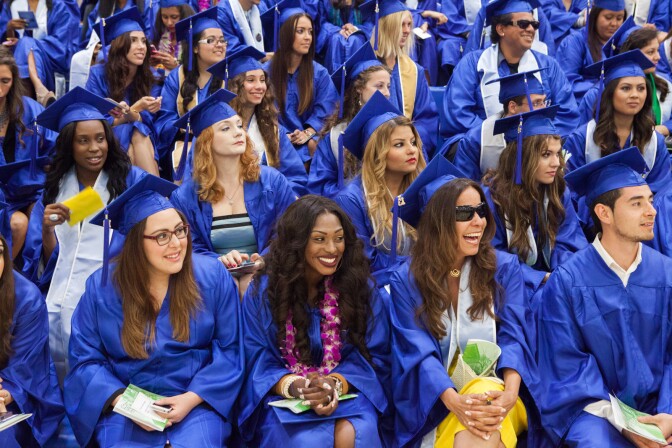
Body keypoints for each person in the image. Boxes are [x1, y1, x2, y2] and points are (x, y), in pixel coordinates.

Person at [65, 175, 244, 447]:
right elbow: (85, 360)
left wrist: (192, 398)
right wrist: (126, 402)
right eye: (162, 236)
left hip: (196, 401)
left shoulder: (211, 276)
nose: (176, 244)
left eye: (180, 230)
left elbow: (230, 349)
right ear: (136, 243)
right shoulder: (102, 288)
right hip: (126, 403)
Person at [388, 160, 540, 447]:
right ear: (438, 222)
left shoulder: (503, 269)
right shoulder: (407, 280)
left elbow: (515, 336)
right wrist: (453, 400)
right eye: (464, 213)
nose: (478, 221)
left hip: (499, 388)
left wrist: (509, 393)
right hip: (433, 399)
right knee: (480, 429)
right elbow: (416, 351)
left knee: (483, 411)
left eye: (480, 210)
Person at [536, 147, 672, 447]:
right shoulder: (568, 282)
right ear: (603, 213)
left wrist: (668, 415)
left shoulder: (667, 274)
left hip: (663, 408)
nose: (652, 212)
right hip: (597, 411)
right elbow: (566, 367)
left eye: (650, 201)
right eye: (637, 204)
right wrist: (625, 424)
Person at [238, 195, 390, 446]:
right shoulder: (264, 292)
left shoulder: (357, 287)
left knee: (355, 431)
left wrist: (334, 384)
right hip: (284, 398)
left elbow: (376, 355)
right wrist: (297, 386)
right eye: (319, 239)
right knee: (304, 441)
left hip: (349, 391)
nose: (332, 249)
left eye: (339, 238)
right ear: (297, 243)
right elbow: (254, 357)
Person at [21, 87, 146, 382]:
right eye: (83, 141)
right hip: (61, 294)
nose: (94, 148)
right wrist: (48, 228)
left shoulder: (127, 181)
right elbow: (53, 259)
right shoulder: (55, 187)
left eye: (100, 139)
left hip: (114, 294)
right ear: (69, 146)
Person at [170, 89, 296, 298]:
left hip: (270, 275)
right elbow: (188, 248)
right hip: (211, 283)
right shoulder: (185, 197)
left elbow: (289, 232)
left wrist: (263, 260)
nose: (238, 132)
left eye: (239, 125)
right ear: (206, 141)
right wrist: (216, 263)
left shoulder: (272, 182)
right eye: (225, 128)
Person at [482, 106, 587, 297]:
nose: (556, 163)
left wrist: (561, 274)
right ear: (522, 158)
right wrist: (538, 277)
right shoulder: (492, 199)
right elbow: (491, 256)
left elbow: (570, 241)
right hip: (508, 288)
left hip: (553, 281)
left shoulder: (558, 192)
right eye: (546, 155)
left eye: (557, 153)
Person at [564, 50, 671, 229]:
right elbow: (569, 192)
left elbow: (661, 189)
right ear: (609, 93)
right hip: (593, 225)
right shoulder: (582, 139)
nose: (635, 95)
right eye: (626, 88)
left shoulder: (654, 141)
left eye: (641, 88)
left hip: (642, 225)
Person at [443, 0, 578, 139]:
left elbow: (567, 114)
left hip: (537, 149)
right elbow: (458, 113)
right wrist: (501, 137)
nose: (531, 29)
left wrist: (539, 138)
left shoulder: (548, 66)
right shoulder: (472, 64)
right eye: (523, 24)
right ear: (501, 29)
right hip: (484, 148)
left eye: (534, 24)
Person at [335, 91, 425, 284]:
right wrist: (419, 266)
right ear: (377, 153)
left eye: (413, 142)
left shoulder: (421, 191)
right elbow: (363, 260)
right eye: (399, 144)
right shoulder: (352, 199)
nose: (412, 150)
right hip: (377, 290)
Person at [207, 45, 308, 195]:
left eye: (262, 80)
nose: (260, 86)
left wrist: (278, 200)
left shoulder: (273, 131)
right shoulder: (213, 129)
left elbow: (295, 177)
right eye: (251, 80)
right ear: (236, 86)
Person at [0, 233, 65, 448]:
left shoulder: (26, 299)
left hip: (13, 391)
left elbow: (24, 368)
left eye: (0, 253)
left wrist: (5, 394)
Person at [308, 42, 390, 198]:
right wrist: (353, 197)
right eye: (379, 86)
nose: (386, 93)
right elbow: (320, 184)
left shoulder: (396, 128)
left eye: (388, 86)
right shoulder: (335, 136)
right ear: (359, 88)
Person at [262, 0, 339, 163]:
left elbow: (327, 109)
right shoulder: (266, 72)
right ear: (286, 34)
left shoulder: (319, 73)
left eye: (310, 32)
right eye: (301, 31)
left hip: (309, 140)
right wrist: (282, 134)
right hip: (274, 139)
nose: (308, 37)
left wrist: (309, 132)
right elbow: (263, 111)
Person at [87, 7, 161, 176]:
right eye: (134, 40)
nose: (141, 46)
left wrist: (131, 112)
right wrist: (136, 108)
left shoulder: (151, 77)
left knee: (137, 130)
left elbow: (151, 123)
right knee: (134, 131)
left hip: (143, 137)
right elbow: (92, 119)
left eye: (143, 41)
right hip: (105, 138)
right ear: (120, 45)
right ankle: (159, 197)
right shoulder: (98, 75)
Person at [154, 7, 226, 178]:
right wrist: (186, 129)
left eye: (222, 40)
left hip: (225, 144)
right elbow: (164, 121)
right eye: (211, 40)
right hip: (186, 146)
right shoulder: (177, 77)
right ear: (194, 48)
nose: (219, 45)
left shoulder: (230, 75)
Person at [0, 48, 56, 259]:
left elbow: (54, 147)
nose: (0, 89)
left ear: (14, 81)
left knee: (41, 219)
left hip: (30, 191)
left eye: (5, 81)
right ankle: (6, 279)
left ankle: (34, 277)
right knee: (18, 223)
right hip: (1, 198)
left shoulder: (31, 110)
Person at [365, 0, 438, 158]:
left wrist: (405, 142)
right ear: (387, 26)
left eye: (409, 25)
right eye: (401, 25)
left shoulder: (414, 71)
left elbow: (427, 120)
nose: (407, 31)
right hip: (372, 150)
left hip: (407, 152)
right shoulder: (364, 69)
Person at [580, 17, 672, 135]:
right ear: (631, 54)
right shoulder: (597, 94)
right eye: (650, 52)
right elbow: (583, 136)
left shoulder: (665, 84)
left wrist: (663, 128)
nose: (658, 57)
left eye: (657, 50)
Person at [453, 69, 547, 182]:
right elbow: (464, 186)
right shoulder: (476, 140)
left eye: (544, 102)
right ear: (512, 107)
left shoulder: (547, 133)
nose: (543, 109)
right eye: (536, 103)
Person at [555, 0, 625, 102]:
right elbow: (567, 83)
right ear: (595, 16)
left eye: (619, 18)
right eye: (608, 18)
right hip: (585, 107)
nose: (614, 23)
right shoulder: (575, 42)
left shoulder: (622, 42)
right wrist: (607, 89)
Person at [5, 0, 79, 95]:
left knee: (26, 43)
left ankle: (23, 98)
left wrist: (32, 44)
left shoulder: (58, 6)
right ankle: (38, 89)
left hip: (49, 59)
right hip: (16, 56)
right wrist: (9, 28)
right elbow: (7, 41)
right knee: (24, 45)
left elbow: (61, 45)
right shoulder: (12, 5)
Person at [149, 0, 195, 74]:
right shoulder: (159, 36)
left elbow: (197, 72)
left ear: (184, 15)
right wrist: (154, 62)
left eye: (174, 17)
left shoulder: (194, 39)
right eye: (165, 17)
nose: (169, 22)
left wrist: (176, 67)